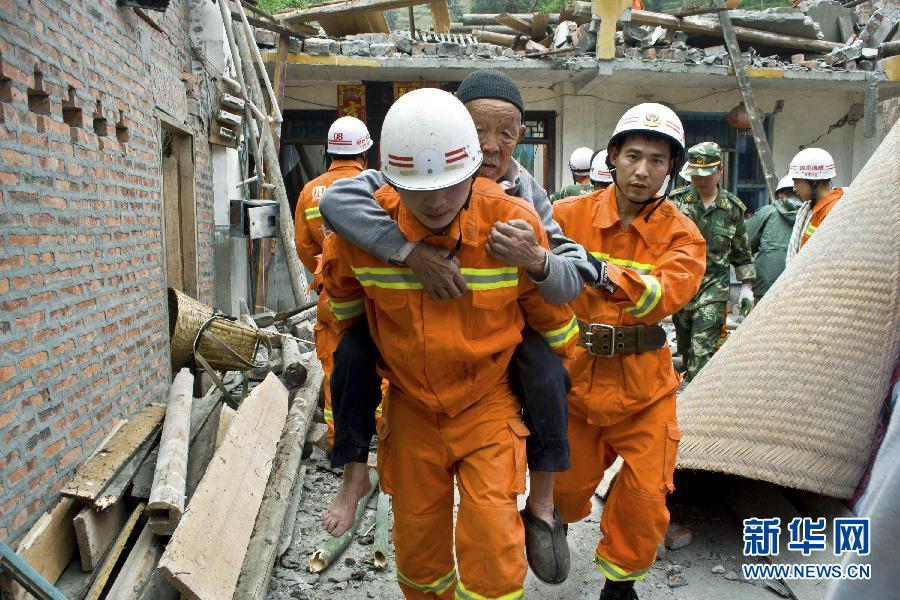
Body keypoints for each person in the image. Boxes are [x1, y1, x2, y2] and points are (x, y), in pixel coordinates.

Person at [319, 69, 591, 584]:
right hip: (411, 402)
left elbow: (562, 298)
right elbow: (343, 297)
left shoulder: (522, 210)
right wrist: (408, 254)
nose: (438, 202)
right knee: (418, 552)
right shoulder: (373, 214)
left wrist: (536, 261)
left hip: (487, 398)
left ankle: (543, 504)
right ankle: (353, 475)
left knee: (493, 541)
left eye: (506, 132)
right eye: (479, 129)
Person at [550, 103, 706, 600]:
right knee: (568, 492)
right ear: (613, 156)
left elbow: (669, 290)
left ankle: (620, 583)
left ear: (670, 169)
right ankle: (554, 518)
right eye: (633, 156)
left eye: (657, 161)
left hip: (645, 390)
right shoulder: (565, 215)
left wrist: (602, 272)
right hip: (575, 382)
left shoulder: (681, 232)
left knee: (644, 497)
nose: (643, 171)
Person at [293, 115, 372, 445]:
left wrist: (327, 273)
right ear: (364, 153)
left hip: (334, 298)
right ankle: (384, 437)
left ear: (329, 153)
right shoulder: (377, 186)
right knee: (384, 364)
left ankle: (342, 440)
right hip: (376, 296)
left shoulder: (311, 192)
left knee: (334, 367)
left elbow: (303, 248)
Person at [670, 142, 755, 383]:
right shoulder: (675, 204)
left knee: (701, 354)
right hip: (681, 287)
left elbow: (741, 250)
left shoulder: (732, 209)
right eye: (695, 174)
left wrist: (746, 287)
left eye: (706, 174)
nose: (700, 180)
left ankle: (696, 407)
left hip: (713, 290)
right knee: (687, 353)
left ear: (719, 171)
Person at [746, 175, 800, 300]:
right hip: (798, 281)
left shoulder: (768, 212)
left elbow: (747, 245)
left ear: (779, 195)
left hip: (766, 283)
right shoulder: (812, 214)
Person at [785, 147, 843, 264]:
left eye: (797, 181)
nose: (794, 188)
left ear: (814, 182)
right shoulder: (811, 209)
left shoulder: (834, 211)